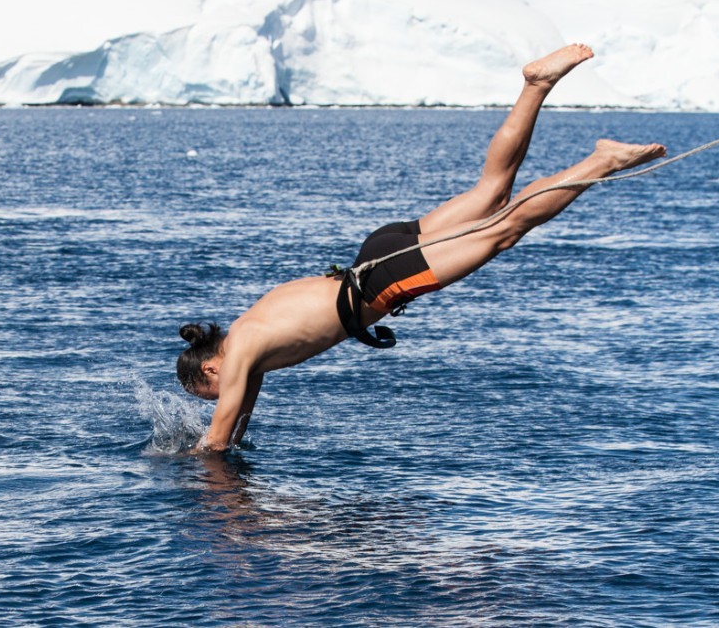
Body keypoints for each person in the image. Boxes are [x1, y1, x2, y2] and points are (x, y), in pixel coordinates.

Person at [176, 44, 667, 453]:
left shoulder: (239, 355)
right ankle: (536, 84)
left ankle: (600, 161)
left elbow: (217, 442)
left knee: (505, 227)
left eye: (209, 394)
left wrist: (194, 471)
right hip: (376, 252)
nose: (218, 401)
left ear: (212, 368)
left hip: (383, 281)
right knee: (491, 192)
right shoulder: (246, 339)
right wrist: (231, 435)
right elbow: (236, 421)